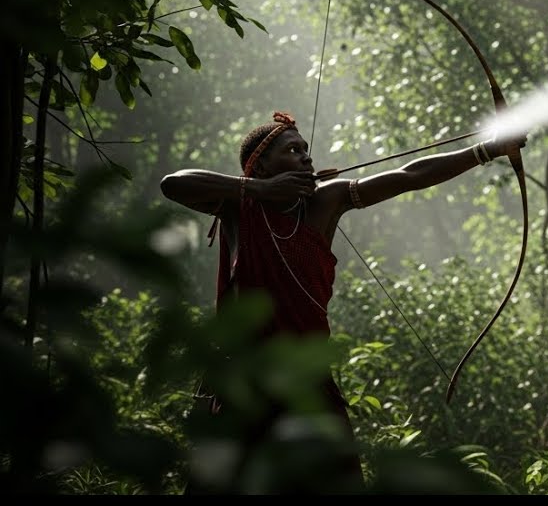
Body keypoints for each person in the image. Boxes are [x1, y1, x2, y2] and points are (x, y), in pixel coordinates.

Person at [160, 110, 524, 493]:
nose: (305, 156)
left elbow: (408, 176)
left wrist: (487, 150)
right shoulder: (238, 206)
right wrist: (260, 191)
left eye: (305, 149)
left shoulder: (325, 200)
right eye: (292, 150)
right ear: (261, 165)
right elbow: (174, 184)